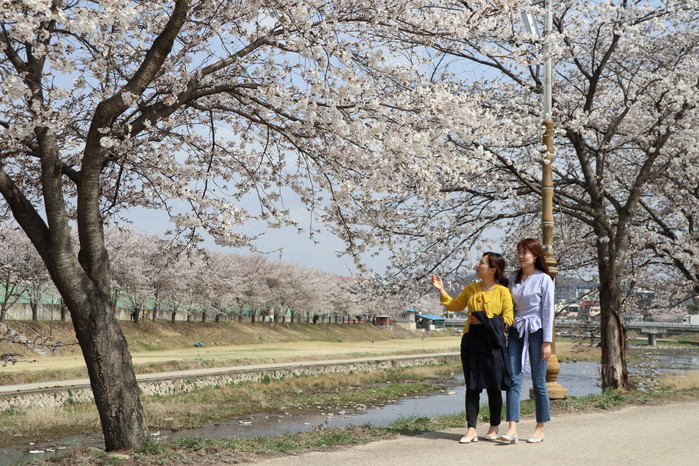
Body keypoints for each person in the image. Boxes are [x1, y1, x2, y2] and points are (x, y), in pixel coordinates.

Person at [432, 252, 514, 444]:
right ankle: (471, 429)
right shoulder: (471, 289)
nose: (477, 265)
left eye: (482, 263)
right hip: (472, 341)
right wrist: (441, 290)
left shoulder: (503, 292)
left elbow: (508, 319)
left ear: (493, 269)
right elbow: (454, 306)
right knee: (472, 386)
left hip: (492, 343)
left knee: (494, 386)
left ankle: (494, 427)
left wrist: (485, 320)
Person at [499, 238, 554, 445]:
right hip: (516, 330)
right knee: (513, 378)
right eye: (519, 252)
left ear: (535, 255)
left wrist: (547, 342)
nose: (521, 256)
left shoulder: (544, 279)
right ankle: (512, 428)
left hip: (537, 331)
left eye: (525, 252)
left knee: (539, 382)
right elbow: (506, 304)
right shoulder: (512, 278)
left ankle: (540, 427)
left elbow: (548, 311)